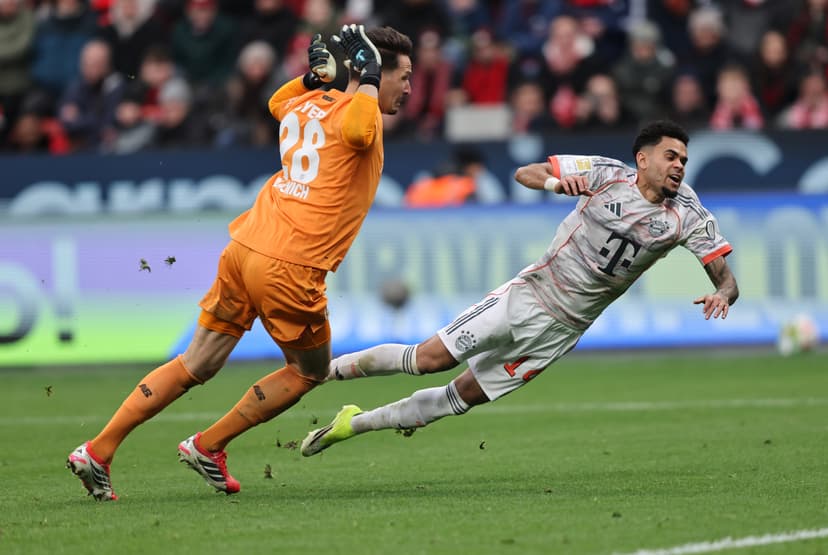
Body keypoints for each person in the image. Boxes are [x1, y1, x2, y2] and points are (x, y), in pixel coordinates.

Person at [66, 24, 413, 501]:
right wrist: (366, 77)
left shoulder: (310, 104)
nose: (409, 88)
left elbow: (276, 102)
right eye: (404, 76)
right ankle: (209, 445)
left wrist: (315, 79)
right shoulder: (361, 113)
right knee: (309, 371)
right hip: (291, 264)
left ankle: (98, 450)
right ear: (375, 71)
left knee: (197, 362)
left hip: (246, 246)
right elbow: (356, 130)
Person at [300, 120, 739, 457]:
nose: (679, 166)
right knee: (428, 360)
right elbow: (525, 172)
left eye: (684, 159)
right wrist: (554, 183)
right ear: (642, 159)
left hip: (562, 331)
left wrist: (722, 293)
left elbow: (726, 278)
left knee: (460, 398)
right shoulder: (606, 174)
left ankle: (353, 424)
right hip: (528, 295)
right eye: (670, 156)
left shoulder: (687, 213)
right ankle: (322, 372)